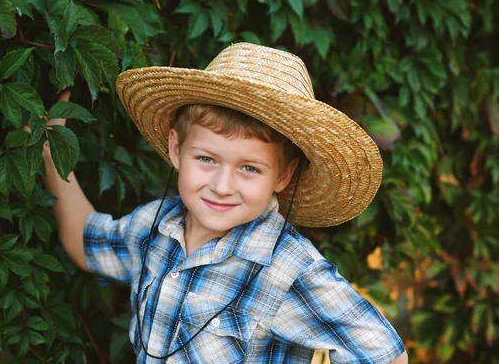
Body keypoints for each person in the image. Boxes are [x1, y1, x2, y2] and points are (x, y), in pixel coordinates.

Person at [43, 43, 409, 363]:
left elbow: (384, 354)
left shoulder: (288, 268)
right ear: (176, 149)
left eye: (249, 168)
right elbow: (86, 241)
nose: (221, 186)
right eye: (206, 159)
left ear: (283, 177)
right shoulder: (154, 226)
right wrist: (48, 154)